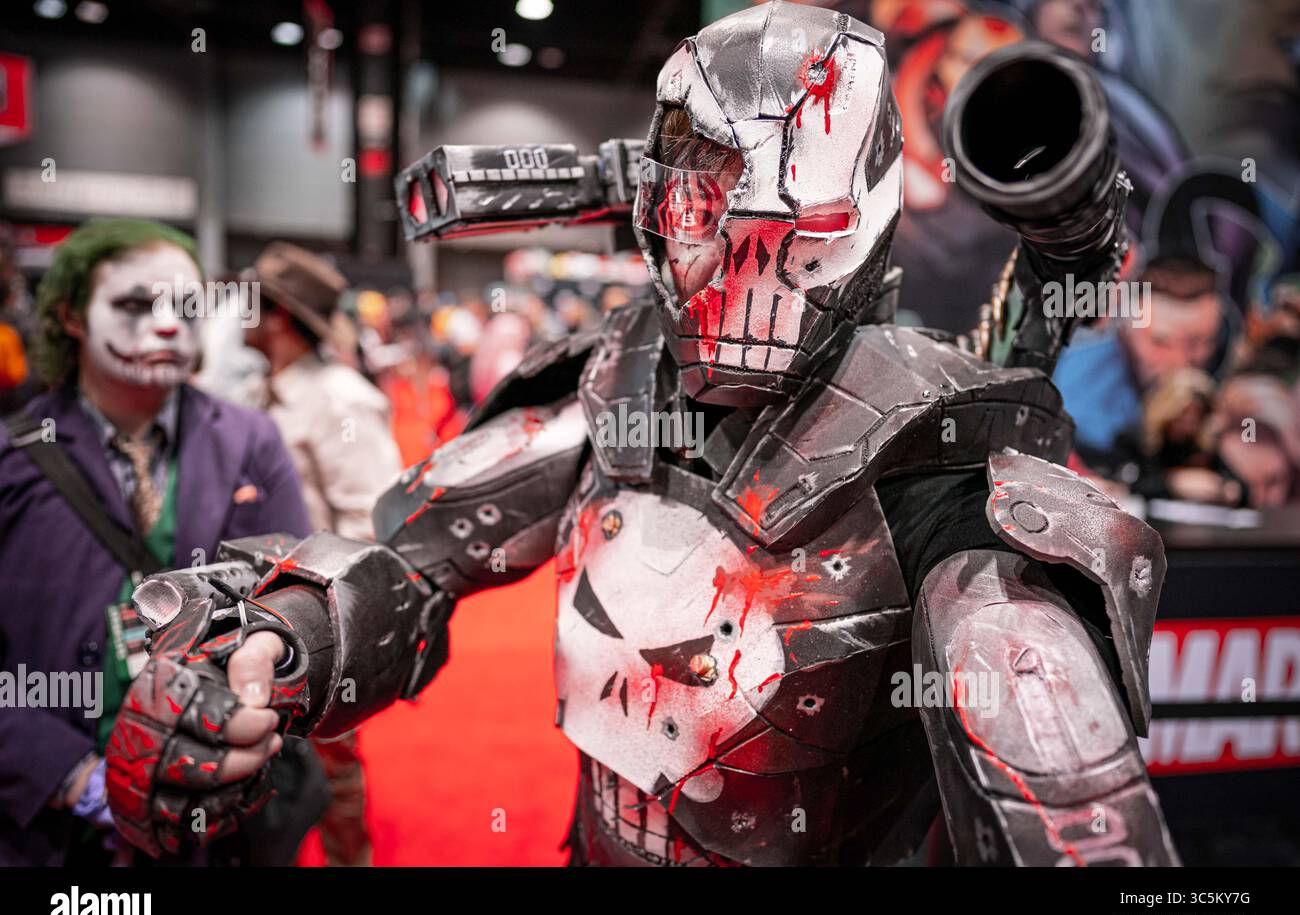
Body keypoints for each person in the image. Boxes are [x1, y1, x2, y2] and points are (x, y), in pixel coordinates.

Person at [108, 4, 1178, 866]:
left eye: (784, 233)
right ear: (663, 203)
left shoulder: (935, 455)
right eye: (704, 208)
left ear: (846, 221)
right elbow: (407, 567)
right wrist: (278, 648)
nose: (735, 268)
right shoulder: (621, 382)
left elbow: (1075, 821)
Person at [0, 218, 314, 866]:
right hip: (45, 834)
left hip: (217, 819)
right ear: (71, 316)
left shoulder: (251, 439)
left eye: (187, 306)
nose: (169, 325)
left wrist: (268, 663)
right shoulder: (12, 456)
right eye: (136, 305)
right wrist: (69, 777)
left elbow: (299, 593)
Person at [241, 241, 403, 866]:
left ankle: (348, 859)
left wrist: (334, 635)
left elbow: (373, 527)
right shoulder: (268, 392)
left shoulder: (340, 398)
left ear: (278, 314)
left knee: (333, 765)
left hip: (317, 623)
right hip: (259, 614)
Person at [1054, 255, 1224, 464]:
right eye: (1161, 342)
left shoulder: (1227, 376)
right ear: (1125, 330)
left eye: (1199, 343)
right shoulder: (1077, 389)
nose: (1180, 362)